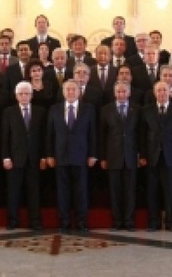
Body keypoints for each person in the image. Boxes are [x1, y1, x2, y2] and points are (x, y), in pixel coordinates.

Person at [46, 80, 97, 233]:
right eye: (67, 89)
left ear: (79, 92)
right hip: (60, 156)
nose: (70, 92)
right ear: (63, 92)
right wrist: (49, 154)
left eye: (73, 89)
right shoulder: (54, 109)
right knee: (62, 191)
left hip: (81, 156)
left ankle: (81, 222)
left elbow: (92, 133)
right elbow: (49, 134)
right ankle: (64, 222)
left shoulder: (88, 109)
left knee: (81, 191)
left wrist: (93, 154)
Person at [139, 81, 172, 232]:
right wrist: (143, 155)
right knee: (152, 191)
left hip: (171, 156)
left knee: (170, 190)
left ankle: (171, 222)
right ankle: (154, 222)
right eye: (159, 90)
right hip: (151, 156)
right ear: (154, 93)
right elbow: (143, 134)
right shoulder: (146, 110)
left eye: (165, 90)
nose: (162, 93)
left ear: (170, 92)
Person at [2, 81, 47, 231]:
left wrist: (43, 157)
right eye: (21, 94)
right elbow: (5, 137)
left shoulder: (40, 111)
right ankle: (13, 221)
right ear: (16, 96)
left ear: (31, 95)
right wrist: (6, 157)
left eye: (26, 93)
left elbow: (44, 136)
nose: (24, 96)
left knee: (34, 193)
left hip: (34, 159)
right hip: (15, 159)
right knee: (13, 192)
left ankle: (35, 221)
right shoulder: (8, 112)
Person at [99, 81, 141, 232]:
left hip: (131, 155)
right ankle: (117, 221)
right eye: (118, 92)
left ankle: (129, 221)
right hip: (113, 156)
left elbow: (140, 134)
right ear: (114, 93)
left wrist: (140, 155)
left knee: (130, 191)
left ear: (129, 93)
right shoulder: (106, 110)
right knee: (114, 191)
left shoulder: (137, 109)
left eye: (124, 92)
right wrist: (103, 157)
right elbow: (102, 136)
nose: (121, 95)